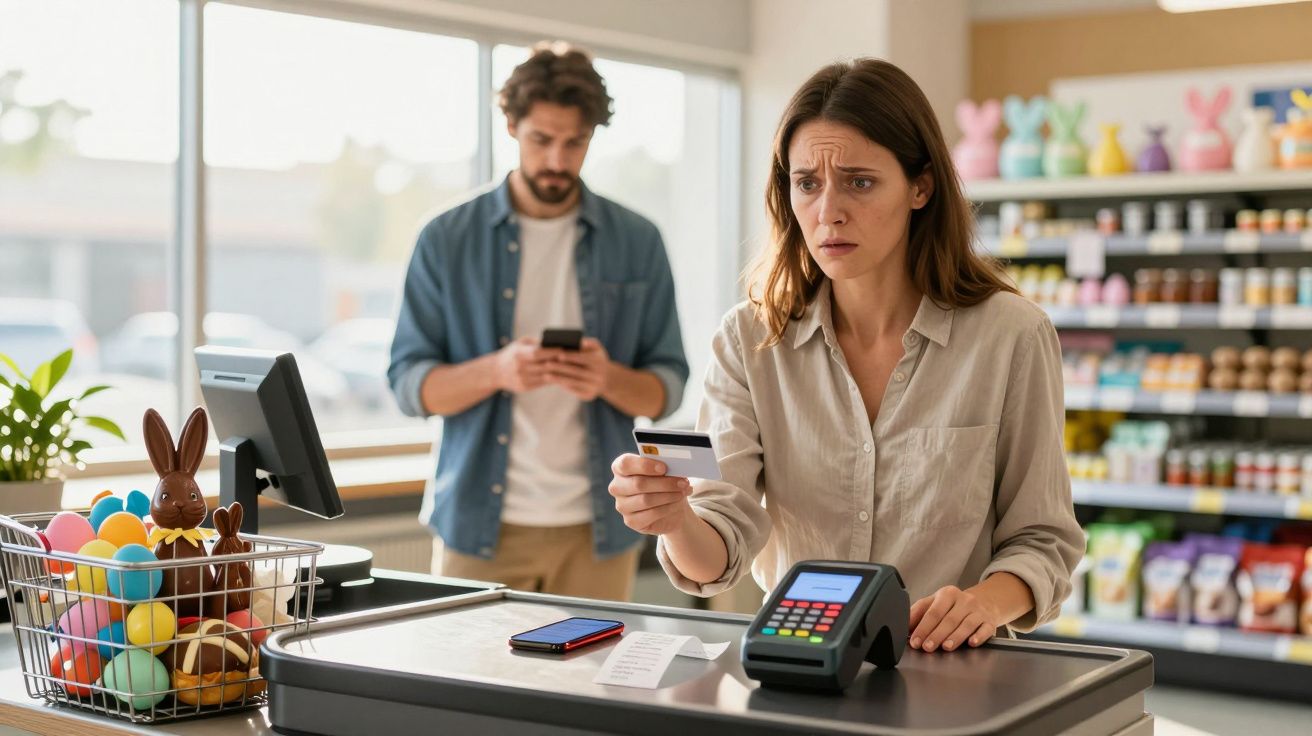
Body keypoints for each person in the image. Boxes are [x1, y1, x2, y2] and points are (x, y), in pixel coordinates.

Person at [609, 58, 1082, 651]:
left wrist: (984, 602)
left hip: (954, 670)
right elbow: (716, 551)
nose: (828, 210)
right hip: (799, 665)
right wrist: (675, 521)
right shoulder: (749, 341)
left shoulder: (1011, 335)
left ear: (921, 187)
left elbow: (1044, 540)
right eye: (807, 182)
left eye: (859, 181)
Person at [389, 41, 689, 601]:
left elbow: (667, 385)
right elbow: (409, 387)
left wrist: (608, 380)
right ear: (510, 125)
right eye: (541, 140)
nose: (557, 160)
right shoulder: (446, 240)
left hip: (603, 526)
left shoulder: (638, 241)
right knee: (467, 688)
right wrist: (499, 370)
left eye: (575, 142)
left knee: (586, 688)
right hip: (478, 526)